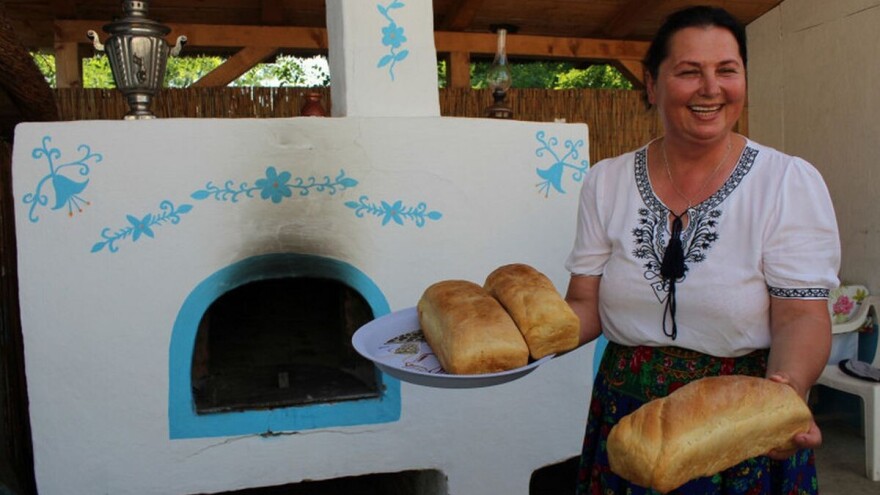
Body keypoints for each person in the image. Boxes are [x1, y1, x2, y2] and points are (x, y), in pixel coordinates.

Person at [564, 5, 840, 494]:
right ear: (652, 84)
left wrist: (787, 392)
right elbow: (585, 304)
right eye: (689, 71)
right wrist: (520, 346)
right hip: (629, 418)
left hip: (737, 419)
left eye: (727, 70)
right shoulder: (605, 182)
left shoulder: (785, 183)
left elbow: (800, 316)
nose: (711, 88)